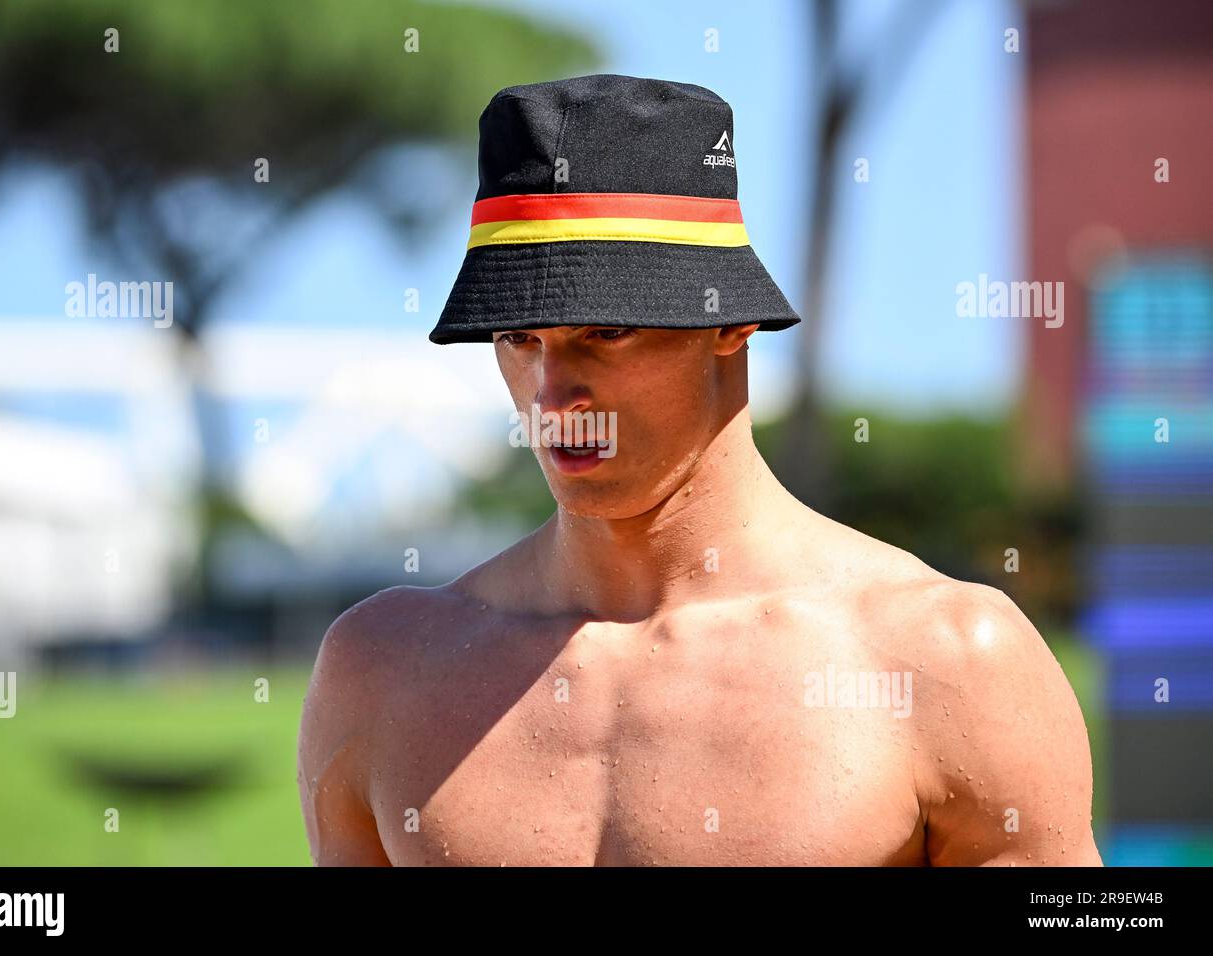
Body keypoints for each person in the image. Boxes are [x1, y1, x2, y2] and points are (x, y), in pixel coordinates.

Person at [297, 74, 1101, 866]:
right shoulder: (382, 670)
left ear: (732, 323)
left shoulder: (947, 659)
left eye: (604, 333)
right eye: (519, 339)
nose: (553, 394)